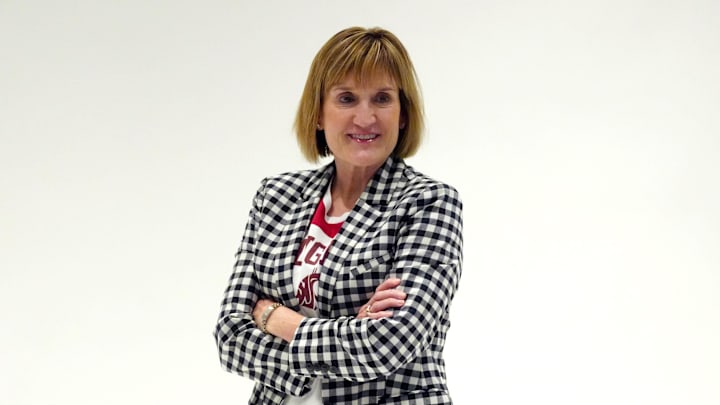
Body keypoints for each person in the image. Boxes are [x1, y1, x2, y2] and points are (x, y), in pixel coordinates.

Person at [213, 26, 463, 404]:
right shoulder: (275, 198)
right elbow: (230, 338)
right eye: (346, 98)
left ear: (403, 114)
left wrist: (278, 320)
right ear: (318, 113)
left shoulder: (428, 204)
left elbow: (389, 345)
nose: (365, 118)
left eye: (382, 98)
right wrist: (349, 330)